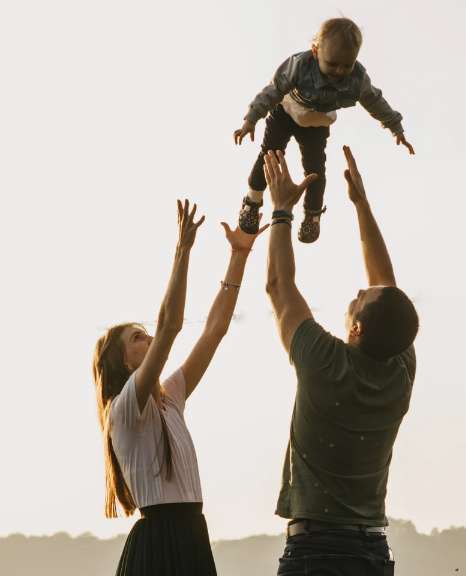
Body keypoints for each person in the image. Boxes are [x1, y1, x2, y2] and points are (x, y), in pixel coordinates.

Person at [263, 147, 419, 575]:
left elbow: (278, 285)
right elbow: (386, 288)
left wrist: (281, 210)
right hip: (372, 551)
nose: (359, 291)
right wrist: (361, 205)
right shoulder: (400, 370)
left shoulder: (323, 361)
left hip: (316, 551)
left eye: (360, 298)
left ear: (358, 328)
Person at [91, 200, 266, 576]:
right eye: (137, 338)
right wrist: (182, 251)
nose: (148, 338)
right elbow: (170, 325)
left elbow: (215, 330)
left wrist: (239, 256)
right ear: (124, 363)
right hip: (159, 543)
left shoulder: (170, 397)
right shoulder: (124, 408)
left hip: (191, 536)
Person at [233, 17, 415, 244]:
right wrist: (251, 119)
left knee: (315, 169)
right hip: (286, 112)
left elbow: (375, 101)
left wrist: (395, 128)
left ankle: (312, 215)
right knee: (270, 154)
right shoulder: (300, 65)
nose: (339, 71)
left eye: (346, 65)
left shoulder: (357, 79)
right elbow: (274, 89)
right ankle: (253, 200)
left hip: (316, 123)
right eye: (332, 64)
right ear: (315, 50)